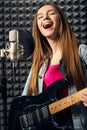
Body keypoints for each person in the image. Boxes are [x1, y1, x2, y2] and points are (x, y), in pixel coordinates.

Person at [22, 2, 87, 130]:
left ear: (61, 20)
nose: (45, 17)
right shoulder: (40, 64)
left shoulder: (81, 51)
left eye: (51, 13)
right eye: (40, 17)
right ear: (38, 27)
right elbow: (24, 102)